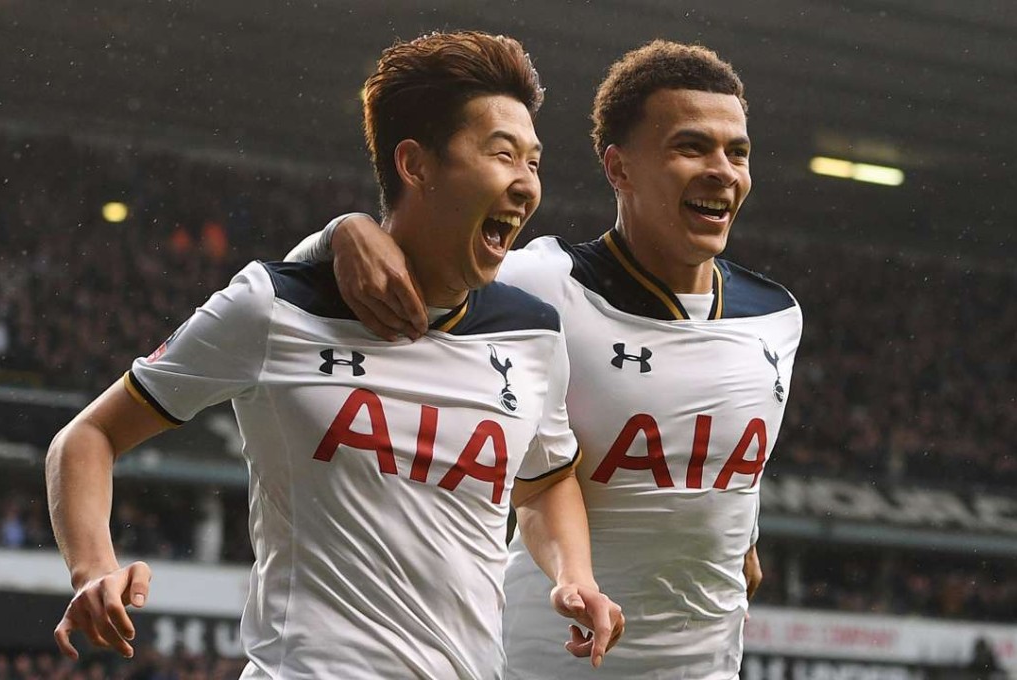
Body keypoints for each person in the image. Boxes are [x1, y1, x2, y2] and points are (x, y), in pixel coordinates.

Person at [45, 31, 623, 680]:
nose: (525, 184)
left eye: (534, 163)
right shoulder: (274, 306)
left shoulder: (534, 333)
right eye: (502, 155)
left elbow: (546, 481)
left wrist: (575, 576)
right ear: (416, 165)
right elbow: (88, 436)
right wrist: (92, 569)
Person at [287, 40, 802, 679]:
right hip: (542, 663)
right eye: (692, 147)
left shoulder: (776, 317)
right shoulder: (541, 287)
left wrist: (743, 536)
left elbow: (727, 465)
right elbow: (322, 286)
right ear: (619, 168)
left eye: (738, 152)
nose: (723, 171)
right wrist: (342, 233)